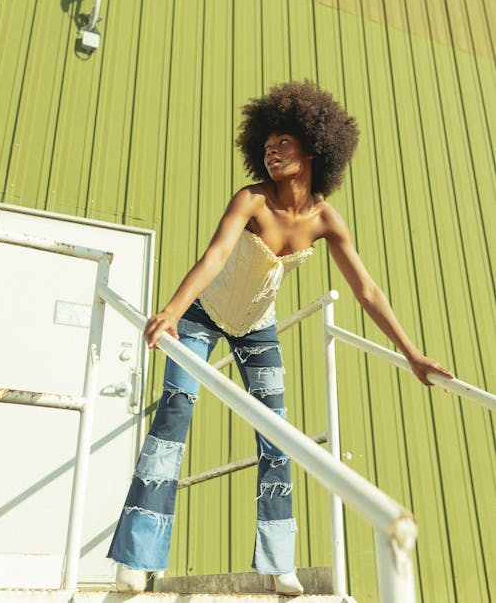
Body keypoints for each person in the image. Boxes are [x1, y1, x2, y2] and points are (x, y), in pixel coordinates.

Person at [108, 81, 453, 594]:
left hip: (258, 326)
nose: (272, 151)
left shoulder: (324, 219)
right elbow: (215, 258)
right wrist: (173, 311)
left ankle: (277, 560)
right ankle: (136, 558)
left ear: (314, 147)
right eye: (266, 144)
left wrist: (413, 354)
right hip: (204, 315)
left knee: (278, 435)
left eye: (283, 142)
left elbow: (367, 289)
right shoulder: (251, 200)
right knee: (174, 414)